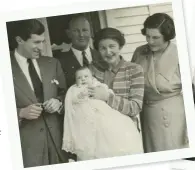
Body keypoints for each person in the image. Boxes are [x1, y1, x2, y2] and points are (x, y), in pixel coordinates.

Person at [8, 19, 68, 167]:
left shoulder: (52, 63)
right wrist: (20, 113)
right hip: (26, 148)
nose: (41, 47)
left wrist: (59, 102)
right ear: (19, 40)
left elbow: (66, 93)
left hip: (59, 143)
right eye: (36, 42)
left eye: (43, 42)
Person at [131, 13, 189, 152]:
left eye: (155, 37)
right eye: (147, 36)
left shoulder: (181, 52)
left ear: (167, 36)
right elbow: (131, 81)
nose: (150, 41)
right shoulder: (139, 52)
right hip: (148, 117)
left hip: (175, 116)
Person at [62, 67, 143, 160]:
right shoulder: (75, 89)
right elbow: (73, 100)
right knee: (91, 141)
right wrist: (80, 96)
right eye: (79, 78)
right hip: (85, 117)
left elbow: (107, 91)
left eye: (86, 76)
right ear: (75, 81)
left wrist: (103, 91)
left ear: (92, 78)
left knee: (111, 127)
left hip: (101, 112)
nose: (83, 79)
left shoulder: (96, 85)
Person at [87, 27, 144, 146]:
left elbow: (135, 107)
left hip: (126, 133)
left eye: (112, 46)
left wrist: (107, 97)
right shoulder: (91, 70)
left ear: (120, 46)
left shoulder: (134, 69)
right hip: (99, 134)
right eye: (102, 48)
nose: (108, 52)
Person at [55, 14, 107, 88]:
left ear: (91, 32)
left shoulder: (102, 56)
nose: (81, 35)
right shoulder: (60, 62)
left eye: (85, 30)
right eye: (76, 31)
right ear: (69, 33)